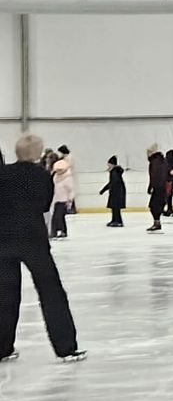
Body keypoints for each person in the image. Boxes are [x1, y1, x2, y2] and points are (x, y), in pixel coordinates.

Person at [0, 134, 84, 364]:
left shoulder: (3, 173)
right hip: (33, 241)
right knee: (51, 293)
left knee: (5, 295)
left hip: (4, 240)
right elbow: (44, 204)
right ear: (37, 154)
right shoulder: (41, 175)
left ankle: (3, 347)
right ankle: (66, 347)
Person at [48, 147, 75, 239]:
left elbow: (71, 190)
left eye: (60, 170)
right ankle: (59, 231)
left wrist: (70, 200)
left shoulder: (67, 178)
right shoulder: (56, 177)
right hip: (56, 199)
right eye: (57, 170)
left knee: (58, 216)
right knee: (57, 217)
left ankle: (58, 231)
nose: (58, 171)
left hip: (64, 200)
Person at [145, 145, 169, 232]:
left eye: (148, 152)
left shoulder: (155, 162)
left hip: (158, 187)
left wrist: (151, 186)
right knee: (155, 206)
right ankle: (157, 222)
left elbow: (154, 176)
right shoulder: (162, 160)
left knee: (154, 206)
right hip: (161, 187)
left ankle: (157, 223)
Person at [101, 155, 126, 227]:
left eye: (109, 165)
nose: (108, 166)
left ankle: (118, 221)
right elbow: (111, 183)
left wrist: (104, 190)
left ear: (112, 165)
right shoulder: (114, 172)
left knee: (116, 208)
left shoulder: (115, 173)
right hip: (115, 192)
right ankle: (114, 220)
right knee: (113, 208)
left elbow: (113, 183)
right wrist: (104, 190)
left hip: (117, 193)